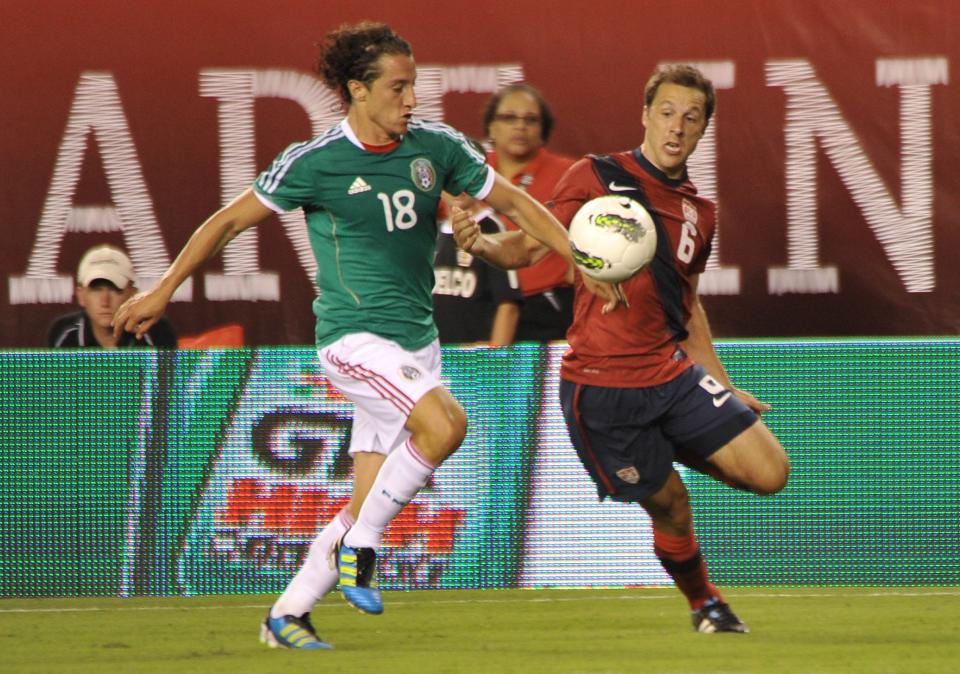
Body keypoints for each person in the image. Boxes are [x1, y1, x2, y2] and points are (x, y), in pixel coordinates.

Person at [113, 21, 612, 650]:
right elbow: (227, 223)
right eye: (398, 87)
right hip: (353, 340)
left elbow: (517, 207)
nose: (411, 99)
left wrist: (582, 264)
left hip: (416, 344)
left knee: (368, 497)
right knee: (447, 426)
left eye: (414, 85)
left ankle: (286, 615)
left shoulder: (436, 147)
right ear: (357, 89)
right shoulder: (315, 161)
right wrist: (163, 289)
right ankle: (363, 547)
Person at [453, 64, 790, 633]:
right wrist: (481, 245)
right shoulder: (596, 176)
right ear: (644, 115)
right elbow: (524, 251)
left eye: (691, 117)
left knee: (771, 471)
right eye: (666, 112)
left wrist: (723, 384)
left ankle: (667, 443)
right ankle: (705, 603)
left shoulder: (699, 215)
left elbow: (687, 307)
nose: (676, 127)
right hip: (602, 390)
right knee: (673, 506)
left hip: (672, 377)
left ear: (705, 127)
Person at [483, 84, 576, 341]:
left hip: (541, 306)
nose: (520, 127)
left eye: (531, 120)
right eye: (509, 118)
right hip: (478, 306)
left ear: (543, 130)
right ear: (491, 126)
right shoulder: (469, 170)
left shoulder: (568, 175)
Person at [433, 191, 523, 346]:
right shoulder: (433, 233)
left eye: (462, 178)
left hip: (475, 359)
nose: (458, 187)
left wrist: (494, 360)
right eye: (450, 180)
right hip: (435, 357)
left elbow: (508, 304)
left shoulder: (491, 227)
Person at [47, 244, 176, 348]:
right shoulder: (64, 334)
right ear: (81, 295)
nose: (105, 301)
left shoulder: (156, 331)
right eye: (96, 290)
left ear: (133, 294)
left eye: (115, 289)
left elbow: (168, 380)